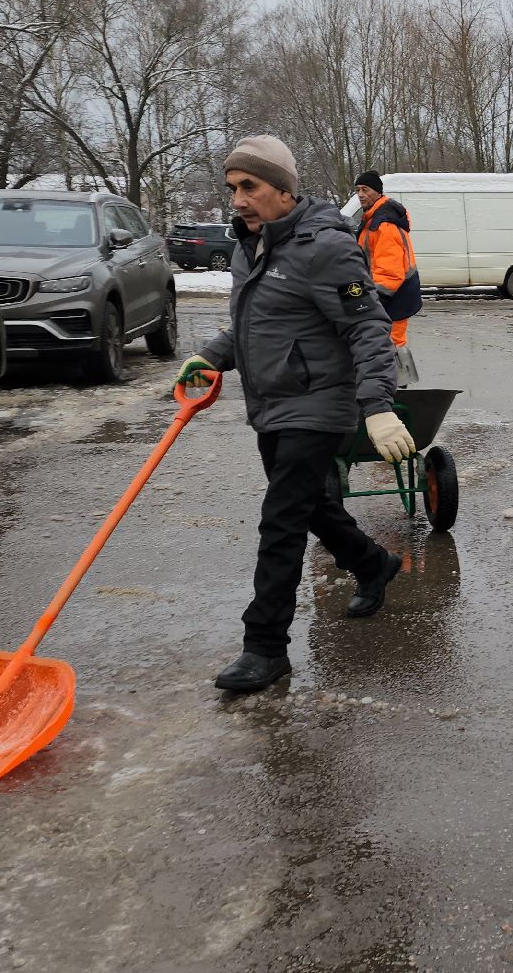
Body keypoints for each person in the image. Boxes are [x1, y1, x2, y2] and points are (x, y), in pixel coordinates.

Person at [176, 135, 416, 693]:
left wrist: (378, 407)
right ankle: (372, 562)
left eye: (250, 187)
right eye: (232, 187)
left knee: (280, 520)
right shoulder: (248, 247)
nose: (237, 199)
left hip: (320, 404)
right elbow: (254, 325)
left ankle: (265, 646)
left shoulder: (326, 249)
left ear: (283, 191)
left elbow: (368, 326)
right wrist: (210, 355)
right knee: (307, 507)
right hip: (272, 403)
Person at [352, 170, 421, 386]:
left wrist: (373, 300)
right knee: (387, 344)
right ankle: (392, 388)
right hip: (393, 294)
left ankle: (398, 390)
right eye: (357, 190)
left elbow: (390, 271)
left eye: (365, 190)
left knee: (391, 344)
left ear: (378, 192)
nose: (361, 195)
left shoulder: (383, 224)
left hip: (393, 296)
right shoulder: (374, 218)